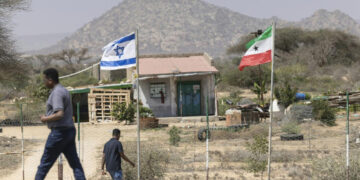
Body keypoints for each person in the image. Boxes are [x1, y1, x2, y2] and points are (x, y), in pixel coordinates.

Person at [35, 68, 86, 180]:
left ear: (50, 80)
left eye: (44, 80)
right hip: (69, 131)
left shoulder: (57, 93)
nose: (44, 82)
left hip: (59, 133)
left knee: (44, 164)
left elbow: (59, 114)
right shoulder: (64, 90)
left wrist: (45, 118)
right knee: (75, 163)